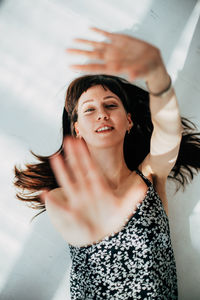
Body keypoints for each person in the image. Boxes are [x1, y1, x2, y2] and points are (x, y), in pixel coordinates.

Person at [13, 27, 200, 299]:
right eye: (89, 109)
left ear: (129, 121)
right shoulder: (62, 197)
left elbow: (169, 132)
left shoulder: (150, 175)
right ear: (77, 129)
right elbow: (77, 228)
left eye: (111, 105)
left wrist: (158, 75)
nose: (101, 114)